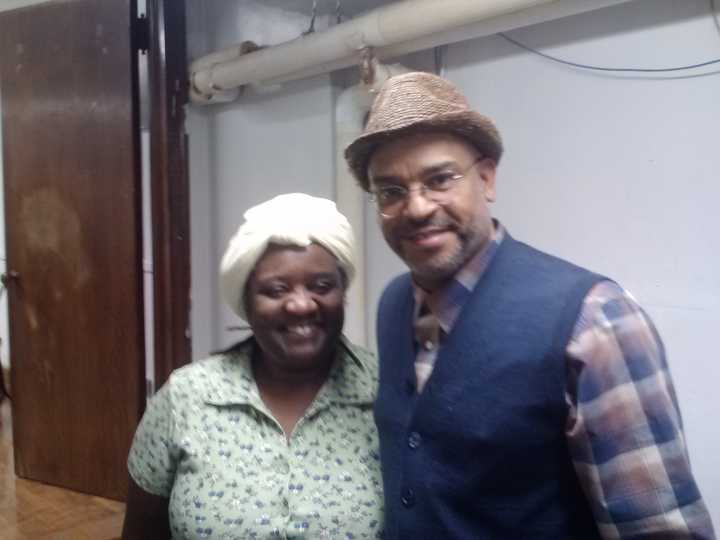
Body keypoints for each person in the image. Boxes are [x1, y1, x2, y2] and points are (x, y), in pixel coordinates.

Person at [344, 72, 716, 539]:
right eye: (391, 192)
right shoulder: (393, 304)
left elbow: (660, 532)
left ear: (486, 177)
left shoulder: (596, 323)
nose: (416, 208)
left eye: (439, 179)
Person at [121, 193, 384, 539]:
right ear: (246, 302)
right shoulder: (185, 398)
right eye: (276, 290)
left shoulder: (386, 392)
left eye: (321, 286)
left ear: (343, 292)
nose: (301, 304)